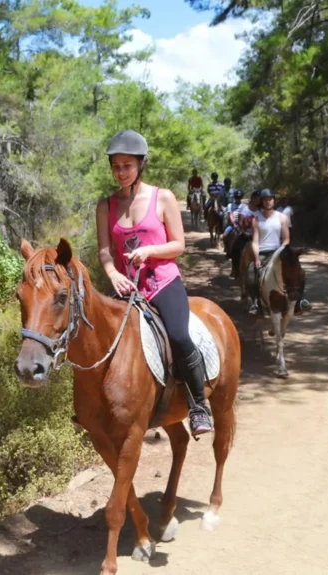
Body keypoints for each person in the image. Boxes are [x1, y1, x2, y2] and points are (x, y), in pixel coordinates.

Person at [96, 129, 213, 436]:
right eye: (116, 166)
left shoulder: (163, 197)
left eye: (127, 165)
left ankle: (199, 405)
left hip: (162, 281)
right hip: (127, 287)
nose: (120, 172)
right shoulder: (105, 206)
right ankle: (96, 409)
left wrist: (149, 250)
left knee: (178, 335)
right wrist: (112, 273)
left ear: (140, 164)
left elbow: (178, 245)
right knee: (98, 337)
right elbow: (105, 251)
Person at [248, 189, 312, 315]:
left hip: (278, 251)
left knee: (300, 271)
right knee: (251, 272)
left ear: (274, 200)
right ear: (262, 201)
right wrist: (256, 258)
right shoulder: (256, 220)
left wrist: (280, 252)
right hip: (263, 252)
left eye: (270, 199)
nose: (268, 202)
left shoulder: (282, 218)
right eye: (265, 200)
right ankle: (256, 304)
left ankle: (301, 300)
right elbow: (255, 241)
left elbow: (286, 239)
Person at [228, 189, 261, 279]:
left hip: (259, 235)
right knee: (236, 249)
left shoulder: (261, 210)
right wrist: (244, 232)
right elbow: (240, 222)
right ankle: (235, 269)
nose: (259, 200)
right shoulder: (245, 208)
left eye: (260, 198)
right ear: (253, 198)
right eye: (257, 198)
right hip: (246, 234)